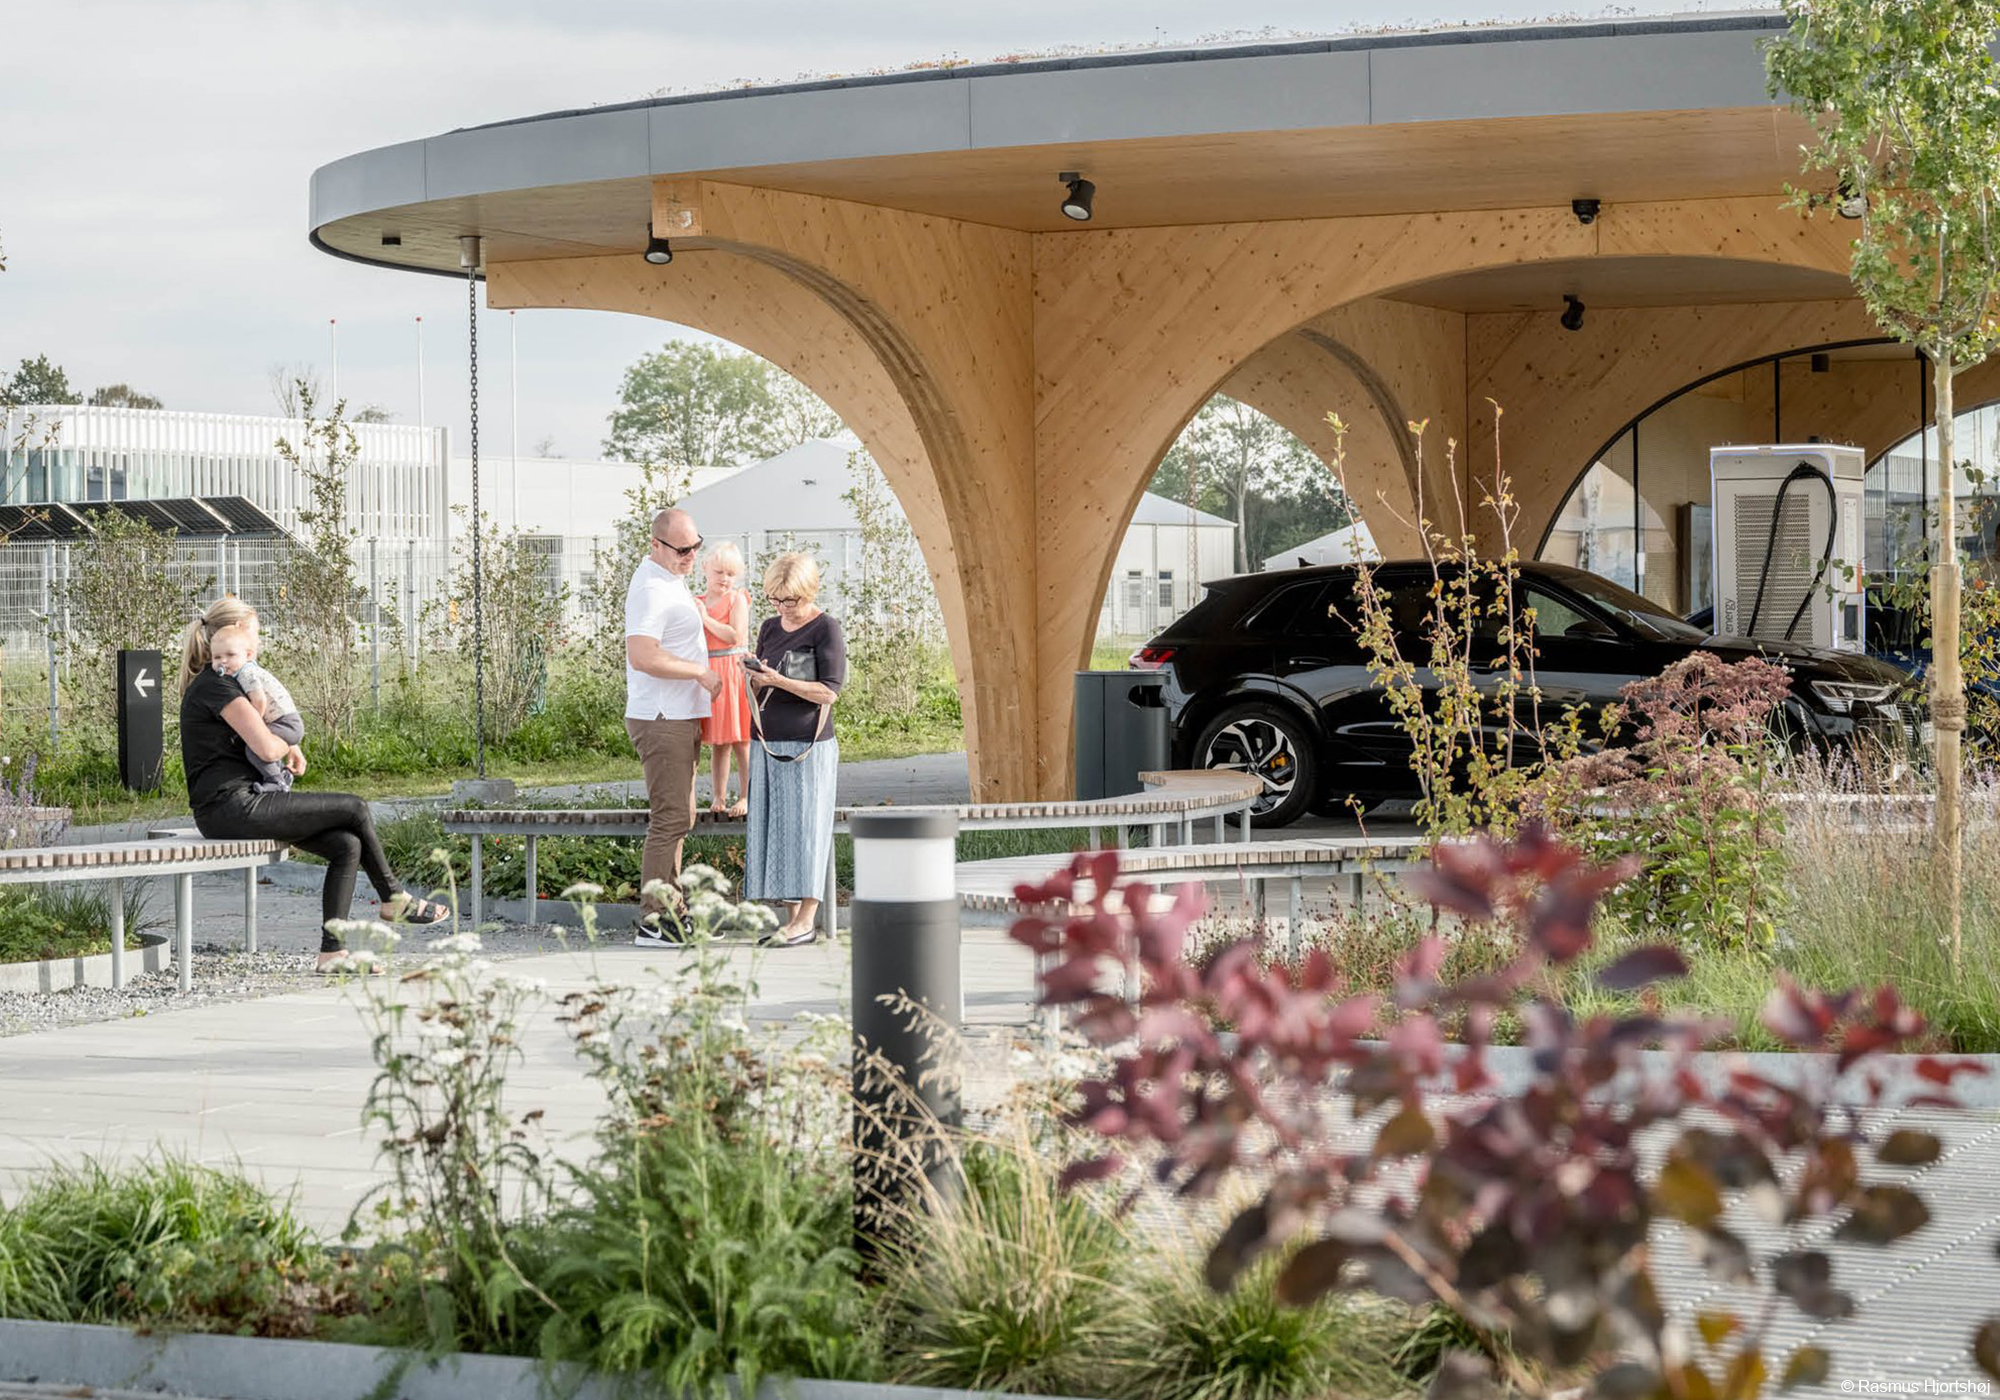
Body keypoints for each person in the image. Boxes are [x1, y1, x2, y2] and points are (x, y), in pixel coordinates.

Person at [179, 598, 446, 972]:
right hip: (231, 808)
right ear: (230, 637)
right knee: (354, 807)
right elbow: (267, 745)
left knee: (346, 845)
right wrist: (288, 740)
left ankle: (332, 954)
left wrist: (291, 743)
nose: (256, 651)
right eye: (252, 640)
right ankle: (394, 898)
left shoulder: (228, 681)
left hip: (245, 802)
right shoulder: (218, 686)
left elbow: (262, 737)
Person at [625, 508, 721, 946]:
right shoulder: (650, 588)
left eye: (696, 545)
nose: (691, 556)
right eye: (683, 550)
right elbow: (642, 655)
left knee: (680, 817)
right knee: (669, 819)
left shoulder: (670, 578)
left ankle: (673, 910)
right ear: (656, 545)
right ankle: (654, 918)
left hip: (679, 715)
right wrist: (697, 672)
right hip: (662, 717)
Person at [744, 552, 845, 946]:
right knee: (777, 829)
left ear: (810, 592)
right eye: (776, 599)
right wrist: (753, 679)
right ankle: (789, 920)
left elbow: (829, 692)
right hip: (767, 744)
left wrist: (779, 681)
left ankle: (807, 918)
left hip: (808, 745)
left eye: (791, 601)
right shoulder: (770, 627)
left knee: (806, 828)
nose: (784, 608)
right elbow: (763, 680)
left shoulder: (826, 629)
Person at [207, 622, 303, 792]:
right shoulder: (243, 671)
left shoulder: (245, 673)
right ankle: (282, 774)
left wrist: (253, 726)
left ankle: (276, 781)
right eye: (217, 657)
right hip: (287, 720)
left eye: (230, 655)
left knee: (254, 749)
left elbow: (259, 701)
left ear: (248, 655)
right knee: (261, 745)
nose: (223, 661)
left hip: (285, 721)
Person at [698, 542, 753, 818]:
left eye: (731, 574)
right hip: (709, 672)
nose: (724, 579)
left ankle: (745, 794)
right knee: (719, 742)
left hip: (732, 668)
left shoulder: (737, 599)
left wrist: (706, 619)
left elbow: (736, 635)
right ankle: (718, 796)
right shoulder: (697, 601)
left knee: (742, 739)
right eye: (719, 572)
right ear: (705, 568)